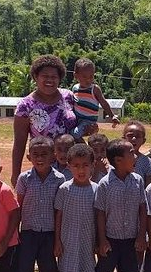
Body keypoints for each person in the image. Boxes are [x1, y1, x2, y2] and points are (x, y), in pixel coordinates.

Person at [11, 55, 97, 187]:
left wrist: (88, 128)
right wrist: (15, 173)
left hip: (72, 167)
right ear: (35, 76)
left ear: (60, 78)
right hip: (44, 170)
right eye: (45, 76)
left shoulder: (68, 96)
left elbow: (78, 123)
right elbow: (19, 142)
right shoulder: (25, 105)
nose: (49, 80)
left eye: (54, 77)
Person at [14, 136, 66, 272]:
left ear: (53, 156)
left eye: (44, 154)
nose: (40, 158)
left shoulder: (60, 179)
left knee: (46, 270)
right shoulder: (24, 178)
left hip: (50, 233)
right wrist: (15, 232)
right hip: (28, 232)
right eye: (35, 154)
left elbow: (59, 211)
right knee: (25, 270)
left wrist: (58, 238)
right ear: (29, 157)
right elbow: (18, 207)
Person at [94, 138, 148, 272]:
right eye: (131, 153)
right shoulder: (104, 184)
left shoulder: (138, 180)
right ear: (118, 160)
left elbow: (142, 208)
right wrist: (101, 240)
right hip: (110, 238)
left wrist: (141, 235)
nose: (135, 156)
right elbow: (100, 213)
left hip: (130, 237)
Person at [54, 144, 98, 272]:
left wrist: (99, 240)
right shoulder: (65, 189)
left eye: (85, 165)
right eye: (76, 166)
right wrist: (57, 240)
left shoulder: (96, 189)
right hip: (68, 240)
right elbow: (58, 216)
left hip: (88, 239)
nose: (81, 170)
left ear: (92, 166)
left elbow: (99, 217)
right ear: (69, 166)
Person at [70, 58, 120, 141]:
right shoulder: (75, 88)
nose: (88, 79)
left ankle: (85, 149)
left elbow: (103, 103)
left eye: (91, 76)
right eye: (84, 76)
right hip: (77, 119)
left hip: (88, 121)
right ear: (75, 75)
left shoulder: (94, 89)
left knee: (74, 134)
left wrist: (112, 116)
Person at [123, 120, 151, 186]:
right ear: (123, 138)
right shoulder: (118, 159)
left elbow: (148, 184)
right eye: (130, 135)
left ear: (143, 141)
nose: (134, 138)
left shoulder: (147, 161)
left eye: (138, 136)